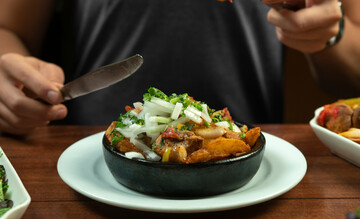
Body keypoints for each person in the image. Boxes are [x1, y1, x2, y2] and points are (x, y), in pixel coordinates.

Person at [0, 0, 358, 135]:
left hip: (249, 159)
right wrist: (11, 76)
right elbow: (8, 29)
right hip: (91, 153)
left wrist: (329, 33)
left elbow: (353, 69)